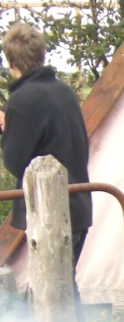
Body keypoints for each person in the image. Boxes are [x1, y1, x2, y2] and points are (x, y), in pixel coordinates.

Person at [1, 21, 92, 273]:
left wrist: (8, 129)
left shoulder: (21, 101)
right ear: (41, 55)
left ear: (11, 62)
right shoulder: (64, 91)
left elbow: (14, 162)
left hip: (50, 212)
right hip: (78, 202)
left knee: (54, 289)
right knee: (64, 284)